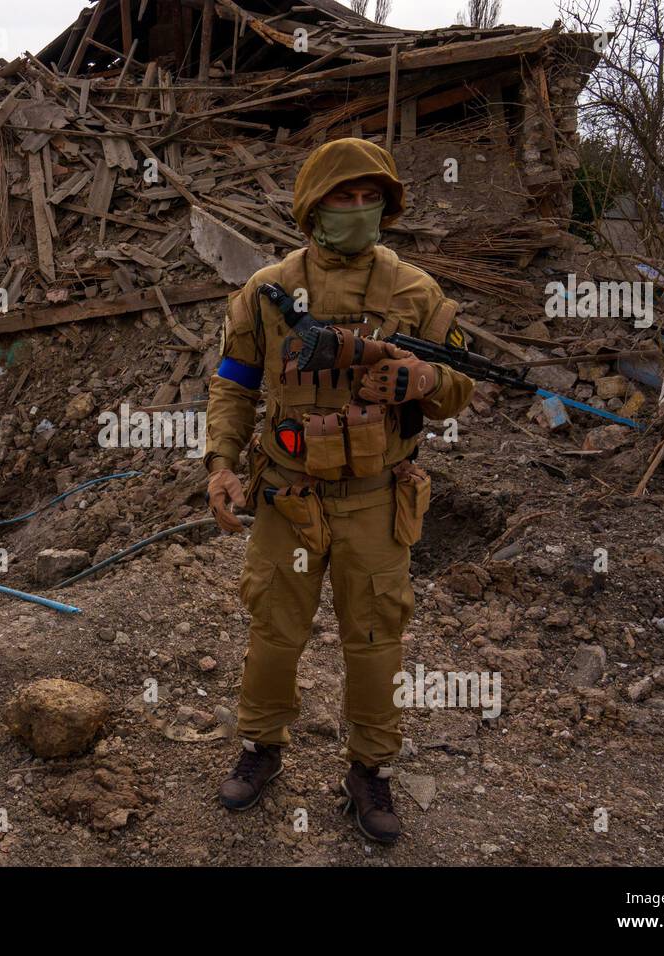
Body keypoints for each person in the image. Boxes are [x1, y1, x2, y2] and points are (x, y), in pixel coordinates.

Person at [203, 138, 474, 843]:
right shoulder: (266, 290)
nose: (356, 211)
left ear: (387, 206)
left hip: (378, 501)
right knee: (273, 632)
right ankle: (261, 748)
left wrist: (423, 381)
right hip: (287, 498)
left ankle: (369, 771)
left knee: (376, 640)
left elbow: (460, 387)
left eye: (369, 199)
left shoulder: (417, 293)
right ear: (310, 207)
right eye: (341, 199)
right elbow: (233, 385)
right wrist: (221, 464)